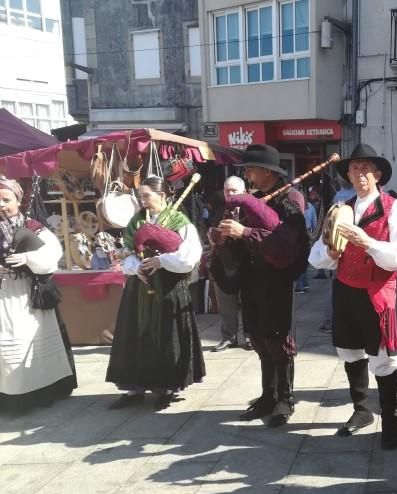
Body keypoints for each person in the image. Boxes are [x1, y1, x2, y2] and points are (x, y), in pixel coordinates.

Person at [308, 143, 397, 450]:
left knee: (383, 357)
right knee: (349, 351)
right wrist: (330, 252)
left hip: (377, 292)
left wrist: (368, 243)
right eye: (355, 168)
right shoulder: (340, 209)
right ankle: (362, 409)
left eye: (366, 168)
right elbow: (315, 256)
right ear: (349, 175)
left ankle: (391, 420)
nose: (360, 173)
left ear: (378, 174)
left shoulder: (394, 209)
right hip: (344, 290)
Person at [106, 176, 205, 409]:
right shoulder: (136, 222)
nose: (143, 201)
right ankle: (134, 388)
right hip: (138, 288)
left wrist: (161, 261)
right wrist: (135, 267)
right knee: (134, 336)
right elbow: (127, 252)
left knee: (166, 337)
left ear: (163, 196)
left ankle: (166, 387)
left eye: (147, 196)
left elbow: (190, 257)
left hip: (168, 288)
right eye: (141, 197)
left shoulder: (180, 222)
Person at [228, 144, 309, 427]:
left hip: (276, 279)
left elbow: (287, 243)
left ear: (266, 171)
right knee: (259, 337)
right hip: (252, 278)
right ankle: (267, 395)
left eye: (250, 169)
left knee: (277, 339)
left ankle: (284, 398)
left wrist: (246, 232)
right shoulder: (256, 197)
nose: (247, 174)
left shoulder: (290, 199)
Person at [0, 176, 76, 408]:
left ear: (18, 200)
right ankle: (9, 395)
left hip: (28, 295)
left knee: (32, 340)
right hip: (3, 294)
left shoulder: (33, 226)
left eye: (6, 199)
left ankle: (41, 392)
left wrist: (26, 258)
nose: (2, 205)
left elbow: (52, 255)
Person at [211, 176, 251, 351]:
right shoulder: (219, 210)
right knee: (226, 304)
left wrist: (240, 233)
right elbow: (212, 232)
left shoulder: (251, 210)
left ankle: (250, 336)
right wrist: (213, 237)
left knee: (249, 301)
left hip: (247, 263)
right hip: (225, 263)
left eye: (234, 190)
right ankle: (228, 337)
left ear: (244, 191)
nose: (230, 194)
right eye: (227, 190)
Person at [295, 192, 317, 293]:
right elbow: (314, 223)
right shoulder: (311, 207)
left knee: (298, 260)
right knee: (305, 260)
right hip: (308, 233)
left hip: (298, 232)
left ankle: (300, 285)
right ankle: (305, 283)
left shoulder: (296, 206)